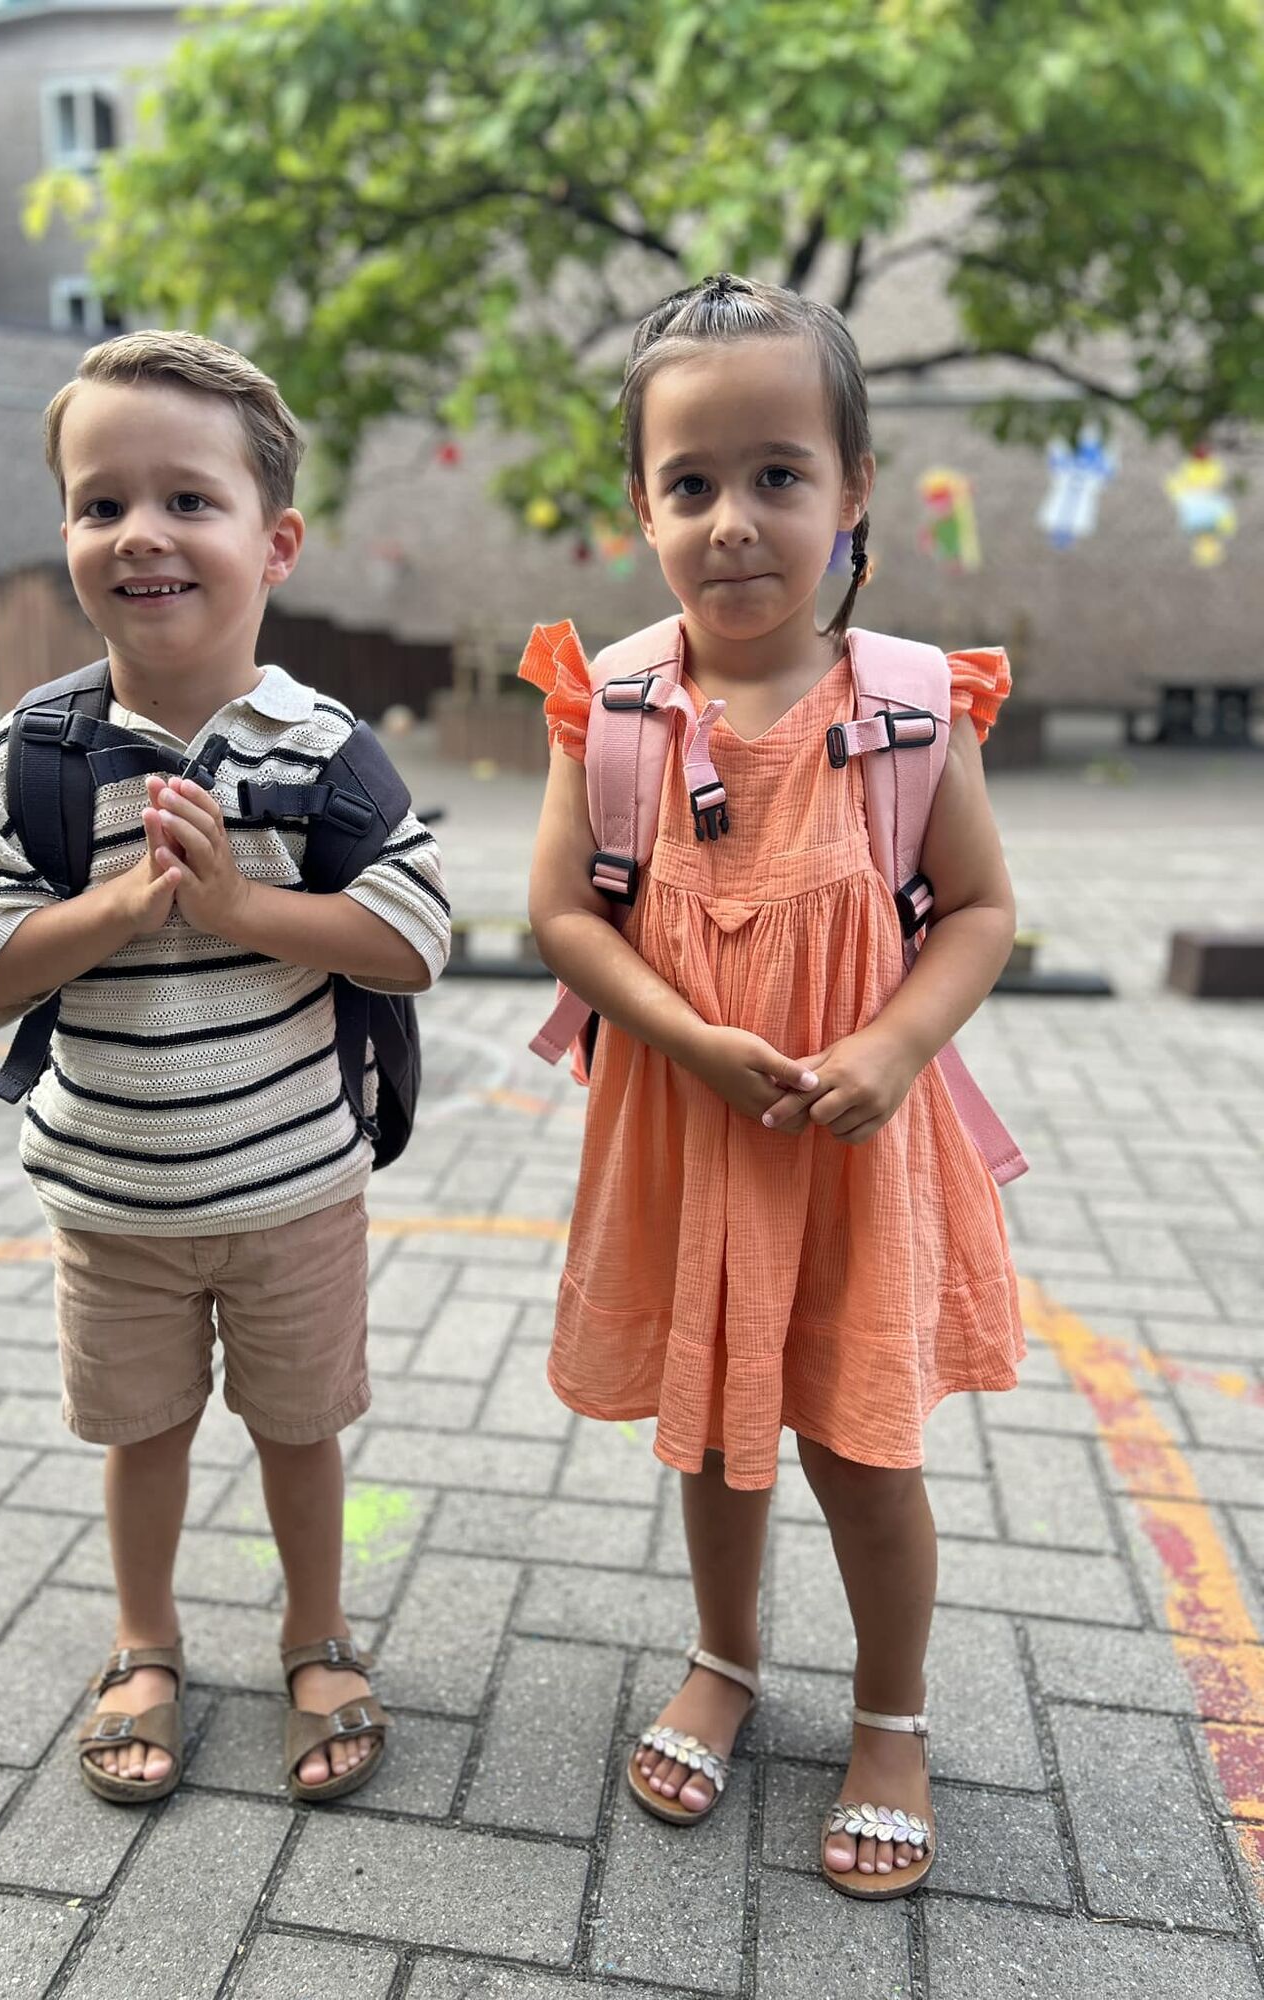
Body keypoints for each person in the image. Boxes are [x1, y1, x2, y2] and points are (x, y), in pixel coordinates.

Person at [523, 275, 1024, 1898]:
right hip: (687, 1142)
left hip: (851, 1152)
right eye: (692, 483)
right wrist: (675, 1032)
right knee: (716, 1438)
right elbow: (556, 916)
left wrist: (890, 1049)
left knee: (863, 1449)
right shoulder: (607, 710)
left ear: (853, 486)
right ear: (641, 505)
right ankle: (726, 1658)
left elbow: (989, 913)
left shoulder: (906, 712)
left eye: (779, 475)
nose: (734, 520)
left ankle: (893, 1714)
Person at [0, 331, 450, 1806]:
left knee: (301, 1433)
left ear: (274, 542)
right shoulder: (33, 756)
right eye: (102, 505)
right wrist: (112, 910)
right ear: (69, 540)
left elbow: (412, 936)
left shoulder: (324, 750)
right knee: (142, 1435)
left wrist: (237, 908)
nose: (140, 533)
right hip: (109, 1202)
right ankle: (145, 1640)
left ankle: (316, 1633)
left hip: (293, 1192)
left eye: (187, 501)